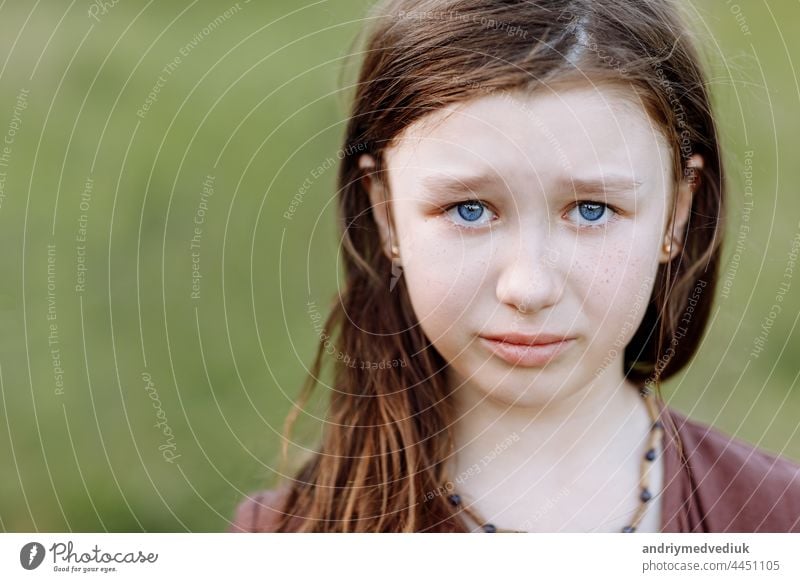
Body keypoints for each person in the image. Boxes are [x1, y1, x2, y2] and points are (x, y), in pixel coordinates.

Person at [229, 0, 800, 533]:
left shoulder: (779, 518)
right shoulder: (285, 536)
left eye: (593, 209)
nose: (529, 287)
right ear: (385, 211)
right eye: (469, 209)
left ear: (677, 212)